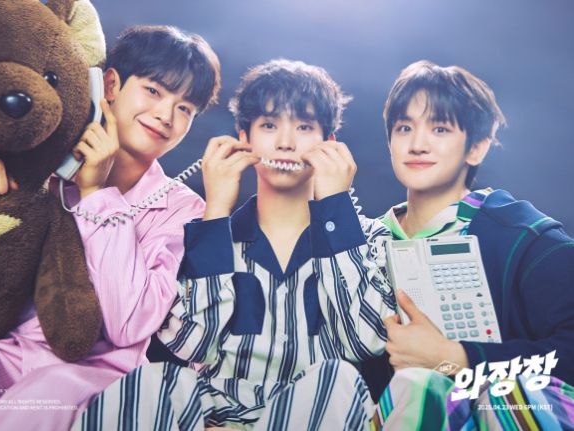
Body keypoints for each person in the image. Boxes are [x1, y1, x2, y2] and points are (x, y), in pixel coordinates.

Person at [72, 59, 397, 430]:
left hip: (314, 412)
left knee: (338, 380)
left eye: (304, 127)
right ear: (245, 139)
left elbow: (365, 340)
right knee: (148, 382)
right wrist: (216, 213)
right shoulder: (208, 236)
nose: (286, 142)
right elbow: (192, 345)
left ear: (329, 143)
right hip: (213, 413)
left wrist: (335, 209)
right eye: (269, 125)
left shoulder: (368, 237)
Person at [0, 25, 221, 430]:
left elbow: (129, 323)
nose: (166, 116)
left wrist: (97, 193)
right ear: (110, 85)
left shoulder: (183, 211)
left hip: (90, 373)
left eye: (185, 108)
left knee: (49, 394)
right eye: (154, 91)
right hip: (6, 349)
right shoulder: (45, 150)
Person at [371, 60, 574, 429]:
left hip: (502, 414)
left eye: (440, 128)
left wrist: (457, 358)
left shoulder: (523, 234)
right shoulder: (363, 242)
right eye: (404, 128)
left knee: (510, 395)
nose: (417, 144)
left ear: (477, 148)